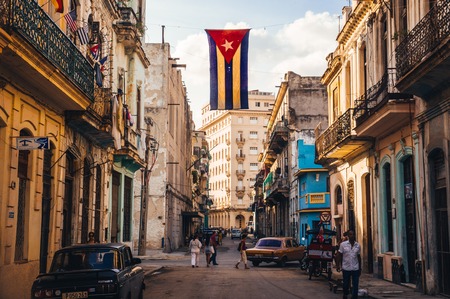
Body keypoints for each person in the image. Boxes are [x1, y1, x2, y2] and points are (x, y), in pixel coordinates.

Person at [335, 230, 361, 299]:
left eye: (353, 234)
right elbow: (339, 255)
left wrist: (360, 268)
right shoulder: (343, 245)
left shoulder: (357, 245)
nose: (352, 236)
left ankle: (354, 297)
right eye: (350, 234)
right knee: (346, 283)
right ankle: (345, 294)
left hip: (355, 268)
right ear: (348, 236)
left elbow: (358, 257)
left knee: (355, 284)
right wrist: (338, 265)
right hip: (346, 268)